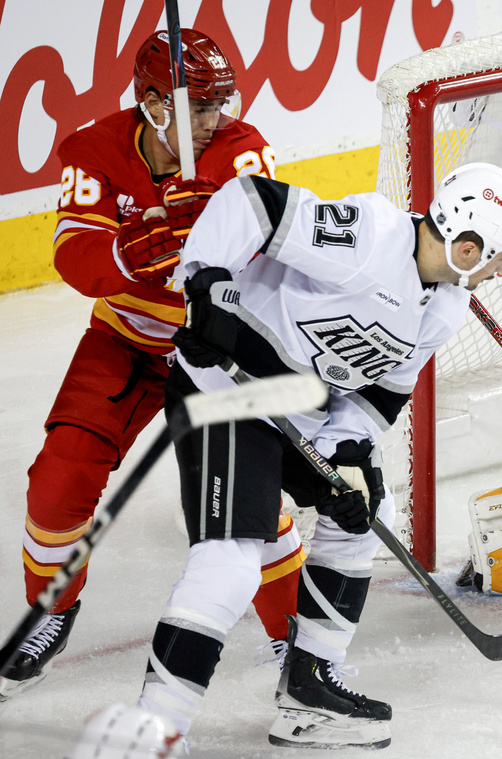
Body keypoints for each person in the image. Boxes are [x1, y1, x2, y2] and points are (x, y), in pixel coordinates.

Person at [117, 162, 502, 749]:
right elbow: (253, 203)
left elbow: (379, 395)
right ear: (471, 246)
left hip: (299, 413)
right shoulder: (369, 237)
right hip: (225, 390)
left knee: (370, 513)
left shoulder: (445, 309)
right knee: (231, 564)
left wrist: (349, 453)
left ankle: (307, 691)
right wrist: (205, 278)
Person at [0, 29, 303, 701]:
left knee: (252, 505)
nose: (212, 119)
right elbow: (75, 260)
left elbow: (272, 257)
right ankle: (52, 609)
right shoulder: (95, 150)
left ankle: (297, 636)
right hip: (124, 344)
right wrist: (133, 251)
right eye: (200, 107)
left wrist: (215, 236)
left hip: (216, 351)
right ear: (152, 102)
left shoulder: (241, 150)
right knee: (58, 481)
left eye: (218, 105)